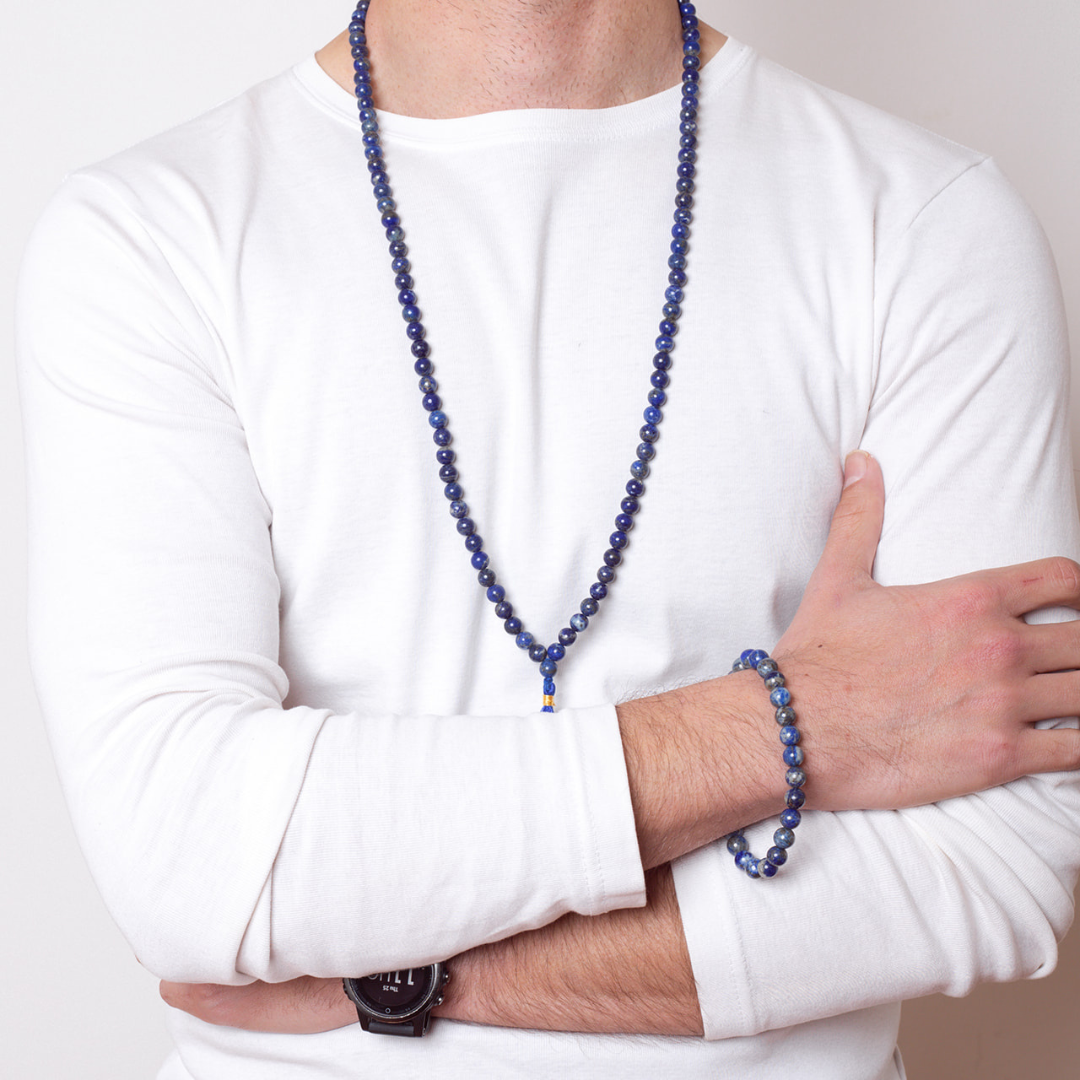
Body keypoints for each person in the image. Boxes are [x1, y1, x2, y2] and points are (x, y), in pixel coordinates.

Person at [15, 0, 1080, 1077]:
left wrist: (396, 982)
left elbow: (993, 869)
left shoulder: (929, 222)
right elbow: (191, 858)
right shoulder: (147, 234)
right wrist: (795, 723)